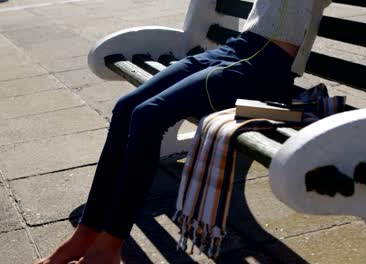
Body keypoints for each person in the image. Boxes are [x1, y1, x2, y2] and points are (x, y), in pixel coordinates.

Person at [35, 0, 331, 263]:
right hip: (238, 47)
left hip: (266, 65)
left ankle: (110, 246)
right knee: (126, 107)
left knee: (148, 115)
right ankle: (85, 234)